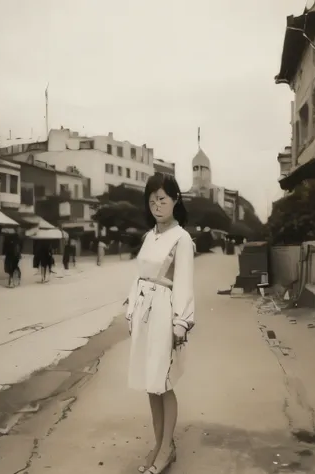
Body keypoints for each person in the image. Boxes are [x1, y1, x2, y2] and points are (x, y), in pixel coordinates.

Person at [125, 173, 195, 474]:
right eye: (152, 200)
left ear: (175, 200)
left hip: (166, 314)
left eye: (163, 199)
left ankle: (166, 449)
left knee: (163, 382)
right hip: (144, 312)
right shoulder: (149, 236)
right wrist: (130, 308)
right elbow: (139, 275)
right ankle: (159, 443)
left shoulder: (181, 238)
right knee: (150, 384)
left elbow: (183, 283)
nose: (157, 205)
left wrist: (181, 322)